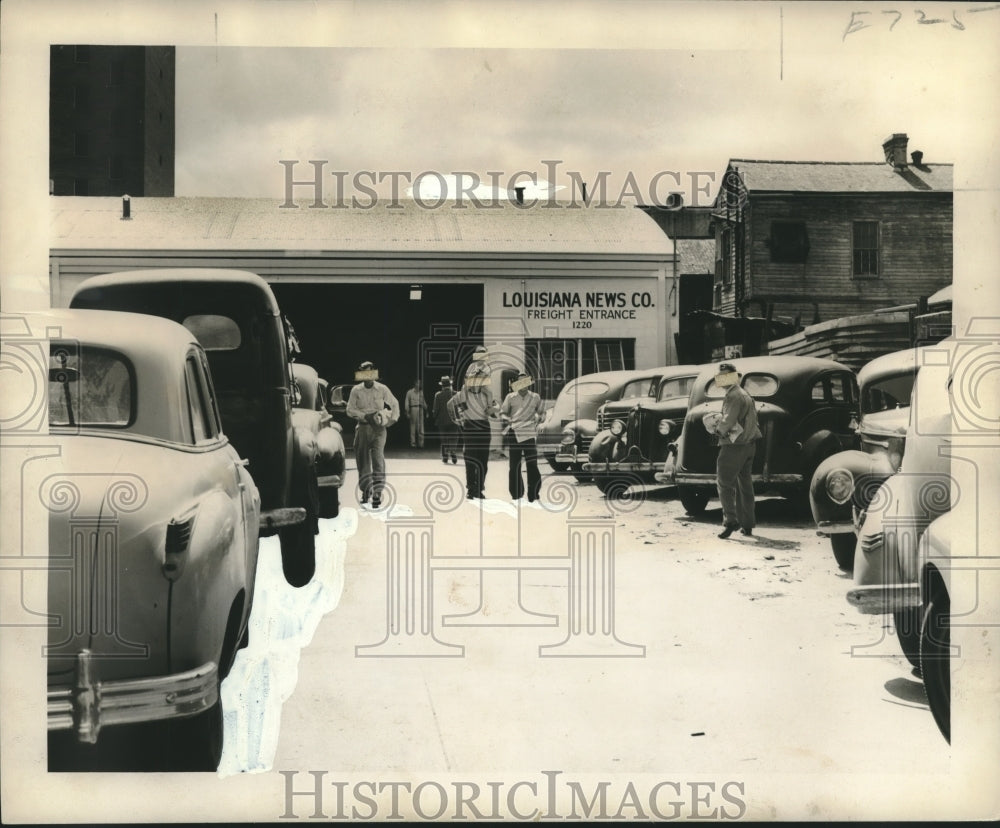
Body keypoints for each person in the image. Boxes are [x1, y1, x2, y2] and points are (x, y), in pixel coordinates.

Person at [707, 362, 762, 538]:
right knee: (745, 485)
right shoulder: (745, 394)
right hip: (749, 445)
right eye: (719, 376)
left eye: (724, 376)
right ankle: (748, 523)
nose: (721, 380)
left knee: (724, 483)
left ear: (733, 377)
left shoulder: (733, 396)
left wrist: (716, 430)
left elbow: (728, 421)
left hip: (734, 446)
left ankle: (731, 521)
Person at [346, 360, 399, 509]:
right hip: (362, 428)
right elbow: (350, 410)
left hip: (378, 430)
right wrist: (364, 416)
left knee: (377, 460)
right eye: (364, 373)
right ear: (360, 374)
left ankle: (377, 493)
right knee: (363, 461)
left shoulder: (382, 389)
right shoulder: (356, 390)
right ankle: (366, 490)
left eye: (370, 372)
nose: (368, 376)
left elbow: (394, 403)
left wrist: (392, 420)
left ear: (374, 372)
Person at [447, 359, 499, 499]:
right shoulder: (464, 394)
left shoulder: (486, 394)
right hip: (470, 426)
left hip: (483, 426)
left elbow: (495, 411)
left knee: (483, 461)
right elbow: (450, 404)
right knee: (470, 459)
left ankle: (479, 488)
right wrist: (456, 419)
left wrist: (494, 409)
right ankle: (471, 489)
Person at [500, 372, 545, 502]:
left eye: (525, 381)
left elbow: (542, 413)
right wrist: (508, 420)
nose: (523, 384)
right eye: (520, 382)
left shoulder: (535, 397)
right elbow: (503, 413)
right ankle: (516, 494)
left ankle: (533, 494)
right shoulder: (510, 397)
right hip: (514, 433)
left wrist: (540, 419)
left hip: (529, 434)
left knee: (532, 464)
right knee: (514, 465)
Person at [432, 375, 460, 464]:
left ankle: (445, 456)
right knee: (453, 437)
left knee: (444, 438)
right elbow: (460, 407)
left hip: (442, 420)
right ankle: (453, 451)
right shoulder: (455, 394)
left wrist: (434, 417)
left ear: (442, 385)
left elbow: (436, 409)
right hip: (454, 419)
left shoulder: (438, 395)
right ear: (450, 384)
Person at [404, 379, 428, 448]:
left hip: (421, 409)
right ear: (414, 384)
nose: (419, 384)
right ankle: (413, 443)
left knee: (421, 427)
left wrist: (426, 410)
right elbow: (407, 402)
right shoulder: (410, 392)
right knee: (413, 426)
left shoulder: (421, 392)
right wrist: (407, 412)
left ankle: (421, 444)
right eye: (418, 383)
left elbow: (423, 401)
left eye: (420, 383)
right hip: (413, 409)